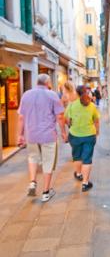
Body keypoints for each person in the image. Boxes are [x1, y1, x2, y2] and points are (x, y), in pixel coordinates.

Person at [17, 74, 67, 202]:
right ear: (48, 83)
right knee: (48, 162)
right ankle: (46, 192)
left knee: (32, 157)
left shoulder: (26, 95)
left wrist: (20, 135)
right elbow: (60, 117)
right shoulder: (52, 95)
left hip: (31, 134)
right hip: (48, 135)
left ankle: (33, 182)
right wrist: (63, 132)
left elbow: (21, 117)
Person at [65, 87, 100, 192]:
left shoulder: (71, 105)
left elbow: (66, 118)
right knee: (87, 158)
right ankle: (85, 183)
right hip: (89, 135)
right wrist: (97, 131)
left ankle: (79, 174)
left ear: (76, 93)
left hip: (75, 135)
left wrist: (70, 126)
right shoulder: (92, 105)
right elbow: (96, 120)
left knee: (77, 156)